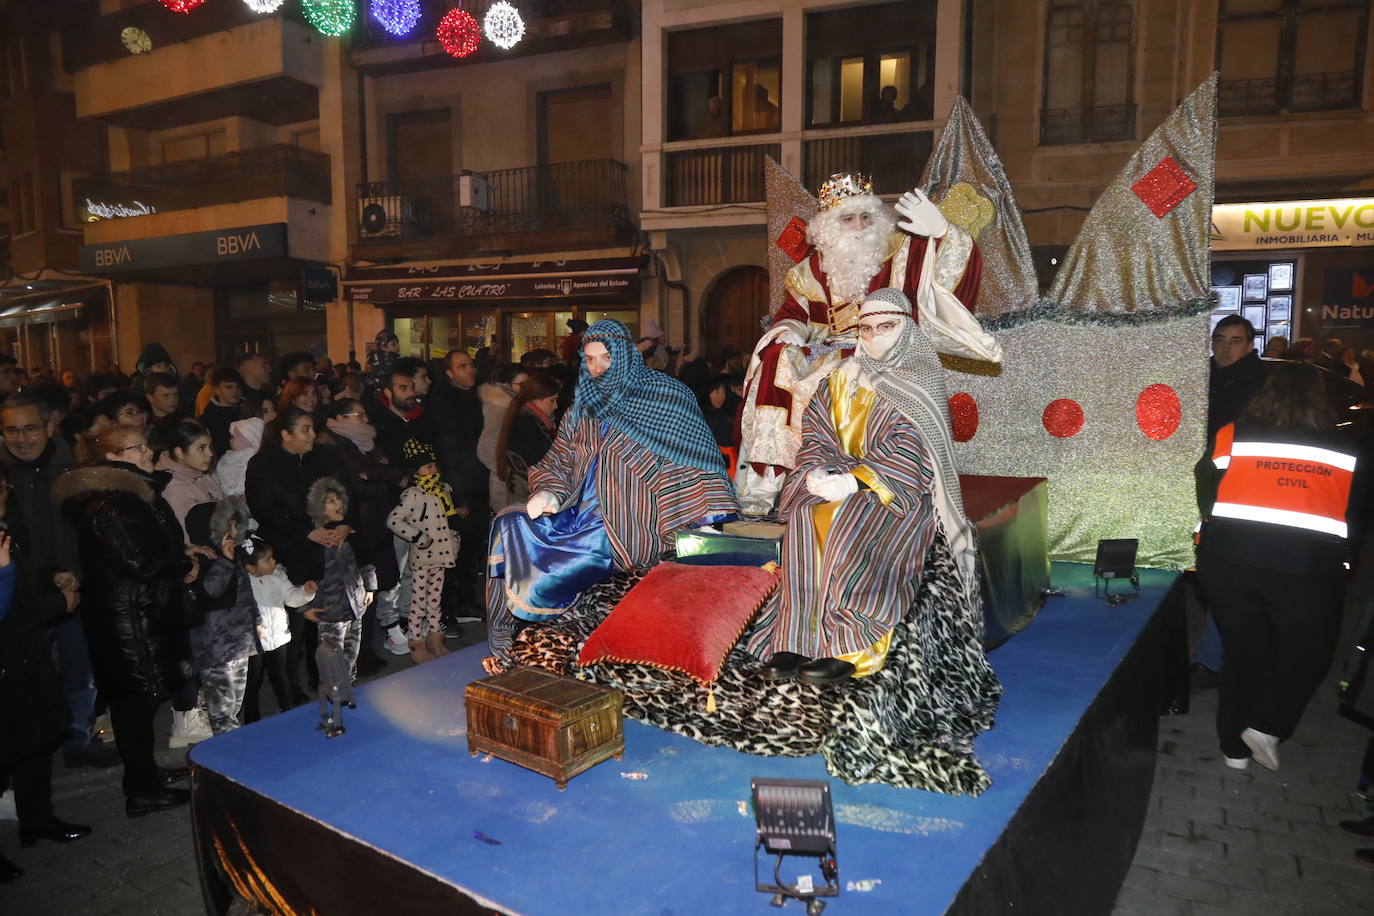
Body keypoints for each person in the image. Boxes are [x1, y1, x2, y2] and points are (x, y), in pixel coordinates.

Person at [745, 290, 986, 683]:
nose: (873, 336)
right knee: (806, 515)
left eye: (885, 327)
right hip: (839, 478)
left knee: (847, 521)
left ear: (906, 329)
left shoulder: (919, 379)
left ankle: (850, 643)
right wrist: (815, 472)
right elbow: (817, 433)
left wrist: (856, 481)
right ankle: (796, 637)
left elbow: (912, 448)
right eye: (866, 328)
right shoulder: (840, 375)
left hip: (898, 492)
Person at [483, 319, 739, 673]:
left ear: (624, 357)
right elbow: (561, 457)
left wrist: (705, 520)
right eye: (589, 359)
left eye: (606, 358)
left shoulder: (666, 396)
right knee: (509, 523)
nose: (597, 368)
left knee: (557, 567)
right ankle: (507, 641)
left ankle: (540, 638)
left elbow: (697, 461)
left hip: (633, 518)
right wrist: (549, 490)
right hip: (577, 510)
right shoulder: (583, 406)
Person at [736, 171, 994, 512]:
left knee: (848, 373)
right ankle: (771, 483)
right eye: (847, 218)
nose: (858, 226)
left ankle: (863, 478)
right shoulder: (811, 269)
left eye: (865, 216)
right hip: (829, 347)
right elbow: (793, 315)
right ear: (829, 225)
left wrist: (944, 234)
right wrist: (788, 334)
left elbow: (943, 287)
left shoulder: (904, 251)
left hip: (887, 349)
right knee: (777, 362)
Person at [1197, 362, 1362, 771]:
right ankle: (1267, 726)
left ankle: (1234, 751)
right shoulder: (1346, 447)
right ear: (1320, 399)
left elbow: (1206, 483)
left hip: (1228, 561)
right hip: (1302, 568)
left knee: (1243, 655)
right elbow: (1356, 516)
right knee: (1309, 652)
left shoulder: (1232, 434)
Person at [53, 425, 199, 816]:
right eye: (139, 447)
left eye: (147, 443)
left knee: (138, 702)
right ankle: (141, 789)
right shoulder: (116, 501)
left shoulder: (132, 492)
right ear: (115, 456)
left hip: (136, 613)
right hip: (129, 619)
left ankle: (144, 774)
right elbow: (142, 561)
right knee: (136, 703)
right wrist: (184, 560)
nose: (149, 451)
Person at [0, 393, 116, 770]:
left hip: (76, 588)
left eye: (30, 427)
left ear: (50, 426)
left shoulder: (73, 469)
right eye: (12, 430)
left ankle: (79, 739)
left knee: (82, 669)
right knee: (26, 679)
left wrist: (76, 575)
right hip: (21, 596)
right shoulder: (3, 479)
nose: (22, 438)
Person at [0, 474, 92, 883]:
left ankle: (37, 820)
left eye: (4, 485)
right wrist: (58, 602)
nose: (4, 492)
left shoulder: (6, 530)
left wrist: (50, 576)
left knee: (34, 743)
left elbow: (17, 583)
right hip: (7, 661)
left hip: (25, 661)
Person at [244, 408, 353, 704]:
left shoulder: (324, 456)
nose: (312, 435)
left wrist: (344, 523)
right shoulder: (263, 465)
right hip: (289, 548)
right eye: (304, 429)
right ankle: (289, 687)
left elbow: (344, 491)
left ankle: (322, 677)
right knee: (295, 619)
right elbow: (265, 508)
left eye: (312, 428)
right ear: (285, 434)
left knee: (322, 615)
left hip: (328, 547)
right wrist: (307, 530)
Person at [386, 443, 459, 663]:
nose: (432, 470)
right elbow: (393, 520)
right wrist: (417, 537)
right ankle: (416, 642)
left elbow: (447, 520)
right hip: (423, 557)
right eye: (427, 467)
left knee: (435, 601)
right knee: (418, 603)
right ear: (415, 472)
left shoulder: (441, 490)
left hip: (441, 556)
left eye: (433, 466)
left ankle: (435, 639)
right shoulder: (413, 495)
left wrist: (453, 539)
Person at [302, 478, 375, 683]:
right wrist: (305, 606)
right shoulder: (312, 542)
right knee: (332, 660)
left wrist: (369, 588)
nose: (339, 504)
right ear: (318, 507)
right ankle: (335, 695)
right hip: (329, 611)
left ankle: (348, 686)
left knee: (352, 654)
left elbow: (365, 561)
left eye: (339, 499)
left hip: (355, 605)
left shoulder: (349, 534)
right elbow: (301, 577)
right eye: (331, 501)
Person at [238, 535, 315, 722]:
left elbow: (291, 598)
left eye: (273, 557)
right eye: (268, 559)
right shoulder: (243, 583)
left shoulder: (278, 576)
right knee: (253, 680)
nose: (274, 561)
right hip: (254, 641)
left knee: (281, 676)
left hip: (278, 637)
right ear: (250, 567)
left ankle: (287, 708)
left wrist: (306, 592)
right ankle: (252, 716)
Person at [495, 372, 561, 505]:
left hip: (528, 493)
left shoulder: (529, 420)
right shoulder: (527, 424)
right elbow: (539, 461)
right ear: (535, 399)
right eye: (552, 400)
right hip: (530, 497)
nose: (556, 406)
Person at [157, 419, 224, 542]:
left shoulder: (205, 473)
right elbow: (186, 536)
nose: (210, 453)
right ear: (180, 452)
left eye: (209, 447)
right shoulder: (174, 486)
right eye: (201, 448)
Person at [477, 364, 529, 514]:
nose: (526, 388)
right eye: (522, 384)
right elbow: (486, 447)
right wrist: (507, 471)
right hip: (506, 487)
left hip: (512, 484)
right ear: (507, 385)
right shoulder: (500, 407)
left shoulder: (514, 404)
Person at [1207, 316, 1267, 441]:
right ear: (1212, 344)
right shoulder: (1200, 377)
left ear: (1249, 346)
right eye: (1220, 340)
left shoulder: (1264, 383)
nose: (1226, 348)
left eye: (1236, 341)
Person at [198, 367, 243, 456]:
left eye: (238, 387)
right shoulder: (211, 416)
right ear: (217, 390)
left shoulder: (247, 407)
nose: (235, 391)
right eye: (228, 387)